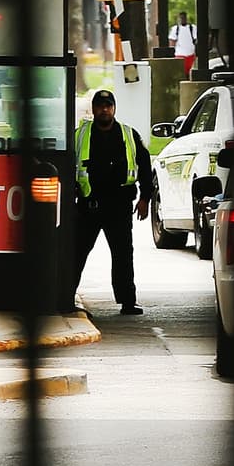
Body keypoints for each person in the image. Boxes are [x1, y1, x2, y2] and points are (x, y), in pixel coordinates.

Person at [73, 88, 154, 315]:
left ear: (114, 109)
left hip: (119, 205)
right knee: (77, 253)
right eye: (100, 106)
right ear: (94, 109)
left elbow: (145, 167)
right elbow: (67, 164)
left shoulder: (129, 134)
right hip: (89, 205)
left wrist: (145, 198)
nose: (104, 110)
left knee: (123, 255)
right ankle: (65, 296)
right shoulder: (80, 134)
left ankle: (128, 302)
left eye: (108, 106)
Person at [169, 11, 197, 78]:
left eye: (184, 18)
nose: (182, 19)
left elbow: (196, 41)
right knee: (180, 74)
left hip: (191, 54)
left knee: (190, 74)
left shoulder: (192, 28)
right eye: (181, 18)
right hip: (179, 55)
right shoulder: (175, 29)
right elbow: (172, 42)